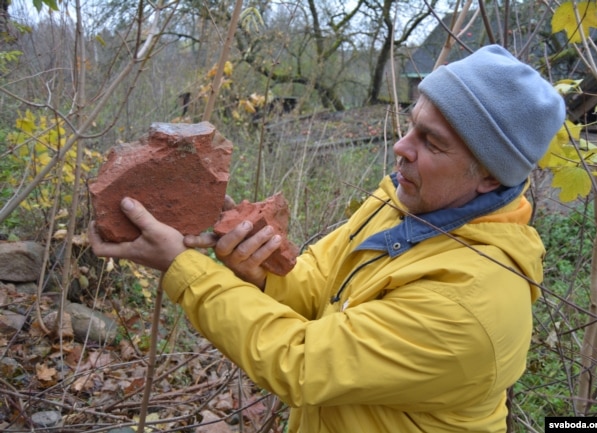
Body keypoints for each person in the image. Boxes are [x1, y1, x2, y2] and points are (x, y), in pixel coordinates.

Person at [90, 44, 565, 432]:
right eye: (411, 123)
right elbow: (321, 286)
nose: (401, 148)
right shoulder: (404, 202)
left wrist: (182, 268)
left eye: (432, 142)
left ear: (488, 177)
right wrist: (260, 273)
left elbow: (303, 362)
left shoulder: (469, 306)